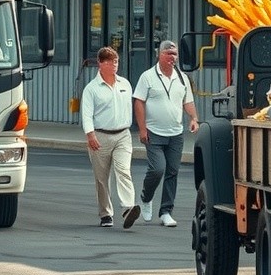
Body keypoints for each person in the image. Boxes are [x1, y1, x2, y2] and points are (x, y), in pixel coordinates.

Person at [133, 39, 199, 227]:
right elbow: (139, 101)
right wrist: (142, 128)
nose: (173, 58)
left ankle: (166, 212)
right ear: (159, 55)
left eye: (175, 54)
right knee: (157, 169)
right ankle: (146, 198)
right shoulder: (148, 77)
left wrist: (193, 118)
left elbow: (188, 102)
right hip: (154, 132)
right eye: (169, 54)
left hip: (175, 133)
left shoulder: (182, 78)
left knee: (172, 171)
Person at [80, 45, 140, 229]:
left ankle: (128, 207)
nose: (114, 65)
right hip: (100, 135)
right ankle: (106, 213)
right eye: (109, 62)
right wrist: (90, 135)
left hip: (122, 135)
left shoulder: (125, 84)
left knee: (123, 171)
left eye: (116, 61)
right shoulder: (92, 89)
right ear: (100, 64)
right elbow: (86, 114)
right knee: (101, 178)